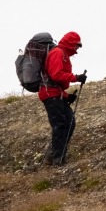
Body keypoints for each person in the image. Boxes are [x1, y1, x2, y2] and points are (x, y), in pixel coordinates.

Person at [38, 32, 86, 165]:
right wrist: (76, 78)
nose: (77, 50)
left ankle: (55, 155)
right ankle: (57, 159)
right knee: (60, 125)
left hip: (56, 94)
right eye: (76, 46)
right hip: (50, 94)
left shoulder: (62, 54)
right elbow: (56, 75)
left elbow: (57, 80)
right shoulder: (58, 53)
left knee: (69, 123)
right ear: (71, 44)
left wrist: (66, 96)